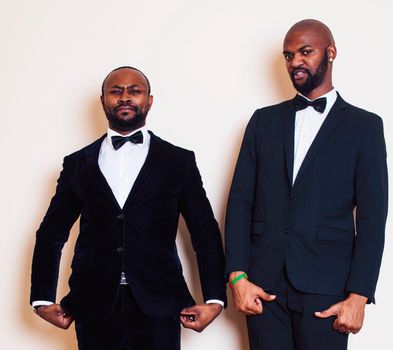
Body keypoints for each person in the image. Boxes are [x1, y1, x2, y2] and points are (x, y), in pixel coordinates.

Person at [30, 66, 226, 350]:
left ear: (149, 100)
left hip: (159, 302)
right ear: (103, 101)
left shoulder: (177, 161)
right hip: (93, 301)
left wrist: (214, 299)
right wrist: (42, 299)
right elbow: (51, 231)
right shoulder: (77, 163)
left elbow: (204, 231)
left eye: (134, 91)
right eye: (116, 91)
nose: (125, 97)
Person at [225, 19, 387, 350]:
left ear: (331, 53)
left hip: (327, 288)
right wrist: (237, 277)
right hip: (263, 286)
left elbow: (373, 218)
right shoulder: (262, 122)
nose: (295, 62)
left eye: (306, 52)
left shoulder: (364, 126)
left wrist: (359, 295)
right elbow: (240, 202)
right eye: (288, 55)